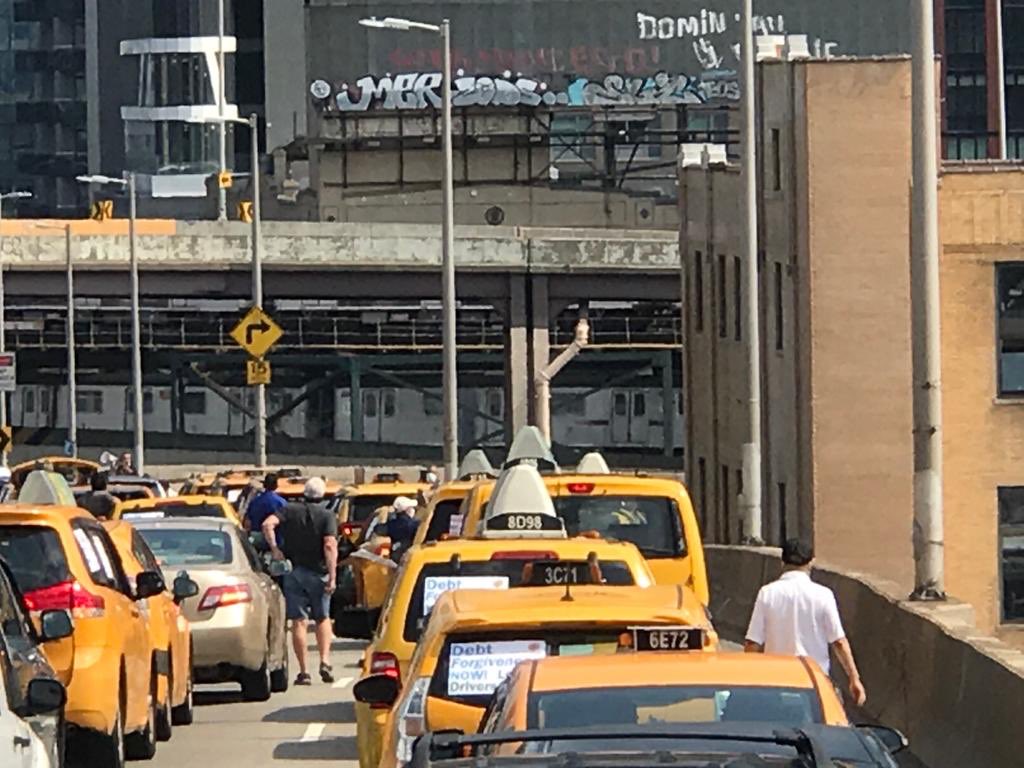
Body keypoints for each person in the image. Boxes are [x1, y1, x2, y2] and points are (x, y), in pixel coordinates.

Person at [744, 538, 867, 707]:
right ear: (811, 563)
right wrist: (854, 678)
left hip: (776, 682)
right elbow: (838, 642)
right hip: (814, 683)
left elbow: (753, 643)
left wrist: (749, 679)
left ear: (782, 562)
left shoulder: (767, 593)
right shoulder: (823, 595)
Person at [262, 477, 338, 686]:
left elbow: (267, 524)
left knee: (298, 621)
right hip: (319, 572)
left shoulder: (289, 510)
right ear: (322, 495)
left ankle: (304, 672)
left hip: (293, 571)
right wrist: (332, 575)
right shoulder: (327, 515)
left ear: (304, 492)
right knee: (322, 618)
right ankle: (325, 661)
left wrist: (275, 549)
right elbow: (329, 545)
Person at [245, 473, 287, 547]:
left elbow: (248, 523)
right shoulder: (281, 502)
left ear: (264, 485)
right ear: (276, 485)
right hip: (276, 541)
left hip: (255, 540)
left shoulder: (255, 501)